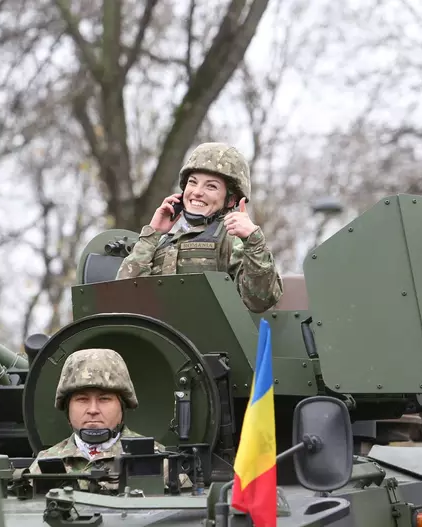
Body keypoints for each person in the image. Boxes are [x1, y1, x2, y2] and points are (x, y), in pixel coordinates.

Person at [116, 142, 283, 313]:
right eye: (193, 182)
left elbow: (260, 300)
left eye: (211, 186)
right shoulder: (163, 242)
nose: (197, 192)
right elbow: (123, 298)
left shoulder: (233, 240)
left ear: (231, 200)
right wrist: (153, 234)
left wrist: (253, 241)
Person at [28, 348, 190, 492]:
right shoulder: (43, 465)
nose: (93, 410)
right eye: (82, 399)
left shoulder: (159, 462)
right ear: (67, 408)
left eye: (104, 399)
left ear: (122, 406)